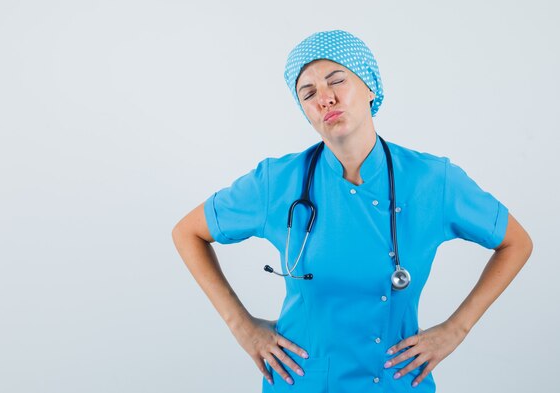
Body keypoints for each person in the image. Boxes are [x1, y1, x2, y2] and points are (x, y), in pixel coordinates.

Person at [171, 29, 533, 393]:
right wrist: (242, 327)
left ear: (371, 86)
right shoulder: (277, 182)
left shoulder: (432, 181)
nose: (324, 98)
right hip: (302, 380)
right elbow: (188, 232)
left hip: (397, 380)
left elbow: (516, 242)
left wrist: (456, 330)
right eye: (308, 93)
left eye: (337, 80)